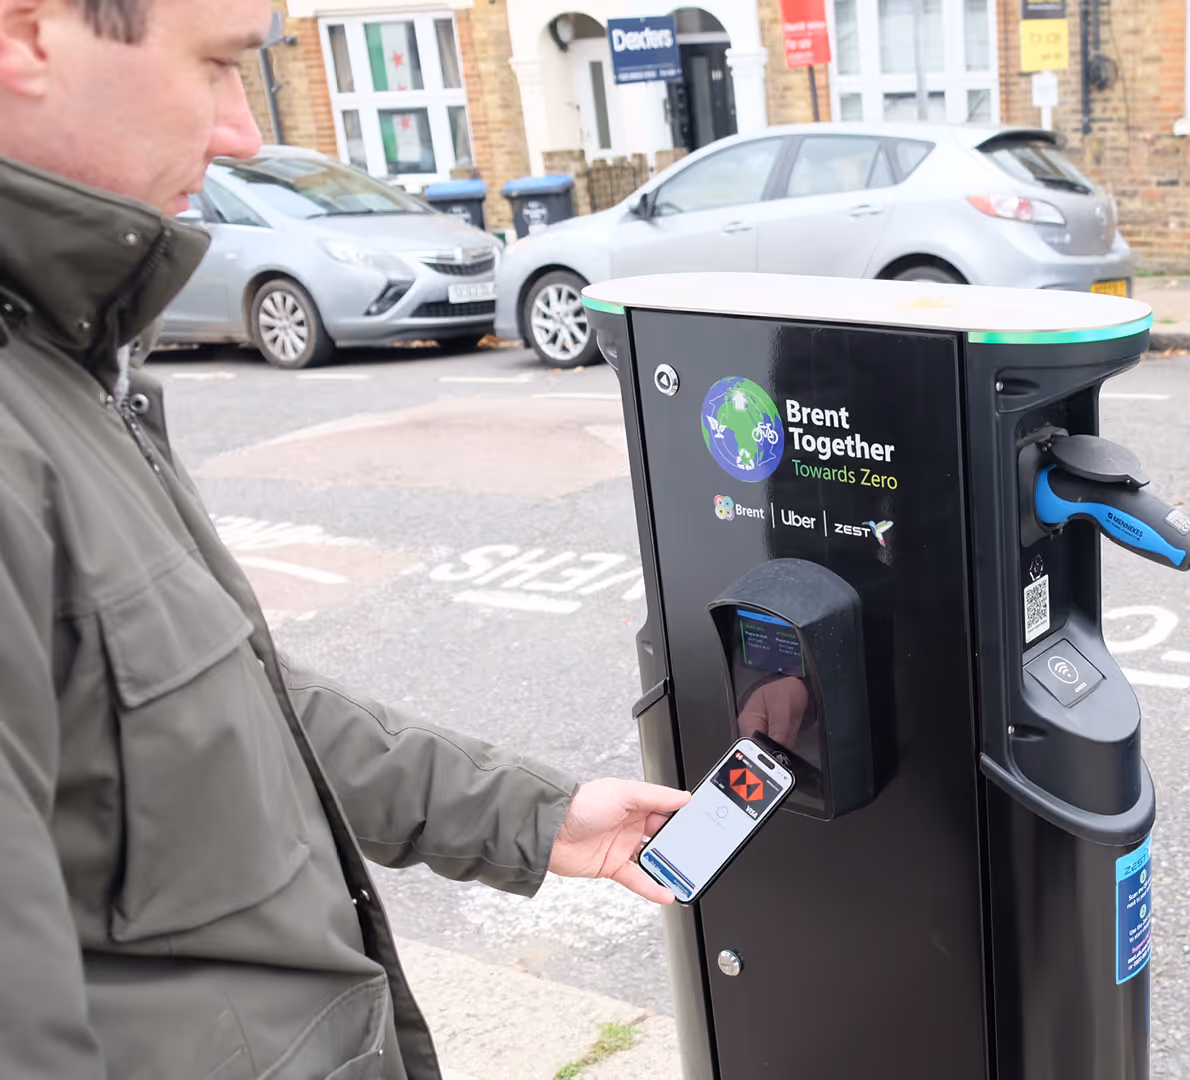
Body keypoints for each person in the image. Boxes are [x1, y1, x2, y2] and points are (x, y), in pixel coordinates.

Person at [0, 1, 691, 1076]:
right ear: (26, 35)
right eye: (215, 66)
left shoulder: (62, 358)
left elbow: (222, 705)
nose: (242, 131)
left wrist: (541, 818)